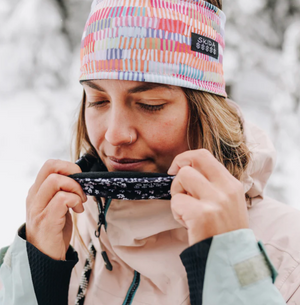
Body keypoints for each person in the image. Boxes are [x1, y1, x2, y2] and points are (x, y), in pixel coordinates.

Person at [1, 0, 300, 304]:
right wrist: (36, 276)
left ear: (205, 111)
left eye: (150, 105)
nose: (115, 134)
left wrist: (234, 272)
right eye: (98, 101)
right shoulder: (66, 230)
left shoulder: (289, 255)